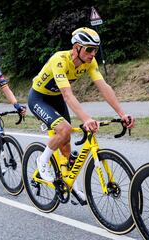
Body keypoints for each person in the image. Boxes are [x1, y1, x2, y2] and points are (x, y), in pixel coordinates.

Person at [27, 27, 135, 200]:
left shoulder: (90, 63)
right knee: (64, 129)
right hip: (39, 98)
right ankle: (42, 161)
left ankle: (71, 185)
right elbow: (68, 95)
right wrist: (86, 118)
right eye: (89, 49)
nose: (93, 54)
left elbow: (104, 88)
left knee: (66, 144)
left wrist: (122, 113)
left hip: (56, 99)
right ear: (76, 47)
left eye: (96, 50)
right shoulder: (59, 60)